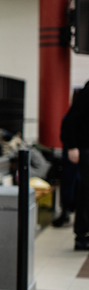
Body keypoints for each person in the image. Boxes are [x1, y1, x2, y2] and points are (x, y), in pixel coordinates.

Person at [60, 80, 89, 250]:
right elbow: (70, 120)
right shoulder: (87, 93)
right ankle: (81, 235)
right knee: (86, 192)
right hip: (85, 149)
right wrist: (72, 146)